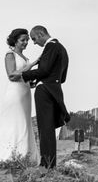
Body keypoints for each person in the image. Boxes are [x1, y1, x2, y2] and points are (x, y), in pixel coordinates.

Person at [9, 26, 70, 169]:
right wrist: (43, 79)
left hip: (45, 91)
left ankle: (46, 164)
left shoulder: (51, 47)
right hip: (54, 89)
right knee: (48, 129)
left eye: (35, 39)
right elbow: (63, 77)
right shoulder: (61, 49)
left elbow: (44, 70)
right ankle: (49, 164)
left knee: (45, 128)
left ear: (41, 34)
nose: (34, 43)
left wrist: (24, 75)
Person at [1, 28, 40, 164]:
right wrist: (32, 65)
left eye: (27, 40)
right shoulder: (10, 54)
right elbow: (12, 75)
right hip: (15, 94)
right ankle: (11, 156)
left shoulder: (25, 58)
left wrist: (32, 82)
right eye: (22, 40)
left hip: (25, 94)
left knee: (25, 122)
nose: (26, 43)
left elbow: (23, 77)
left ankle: (25, 156)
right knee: (16, 122)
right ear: (15, 41)